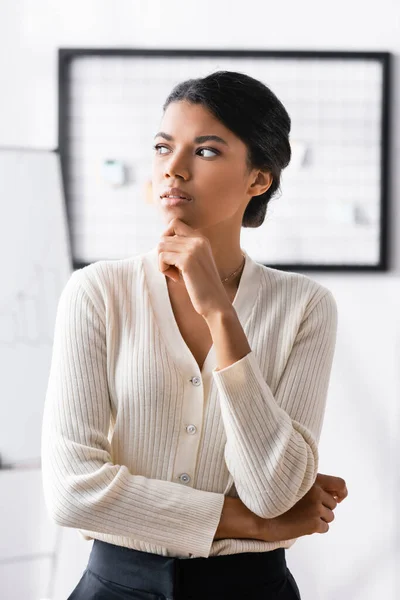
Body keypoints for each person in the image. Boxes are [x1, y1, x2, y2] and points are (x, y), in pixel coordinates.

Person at [41, 70, 348, 600]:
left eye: (205, 152)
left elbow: (273, 493)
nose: (173, 170)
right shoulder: (98, 292)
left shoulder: (304, 307)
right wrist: (249, 525)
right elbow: (72, 492)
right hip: (116, 586)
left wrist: (220, 317)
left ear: (259, 178)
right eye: (164, 147)